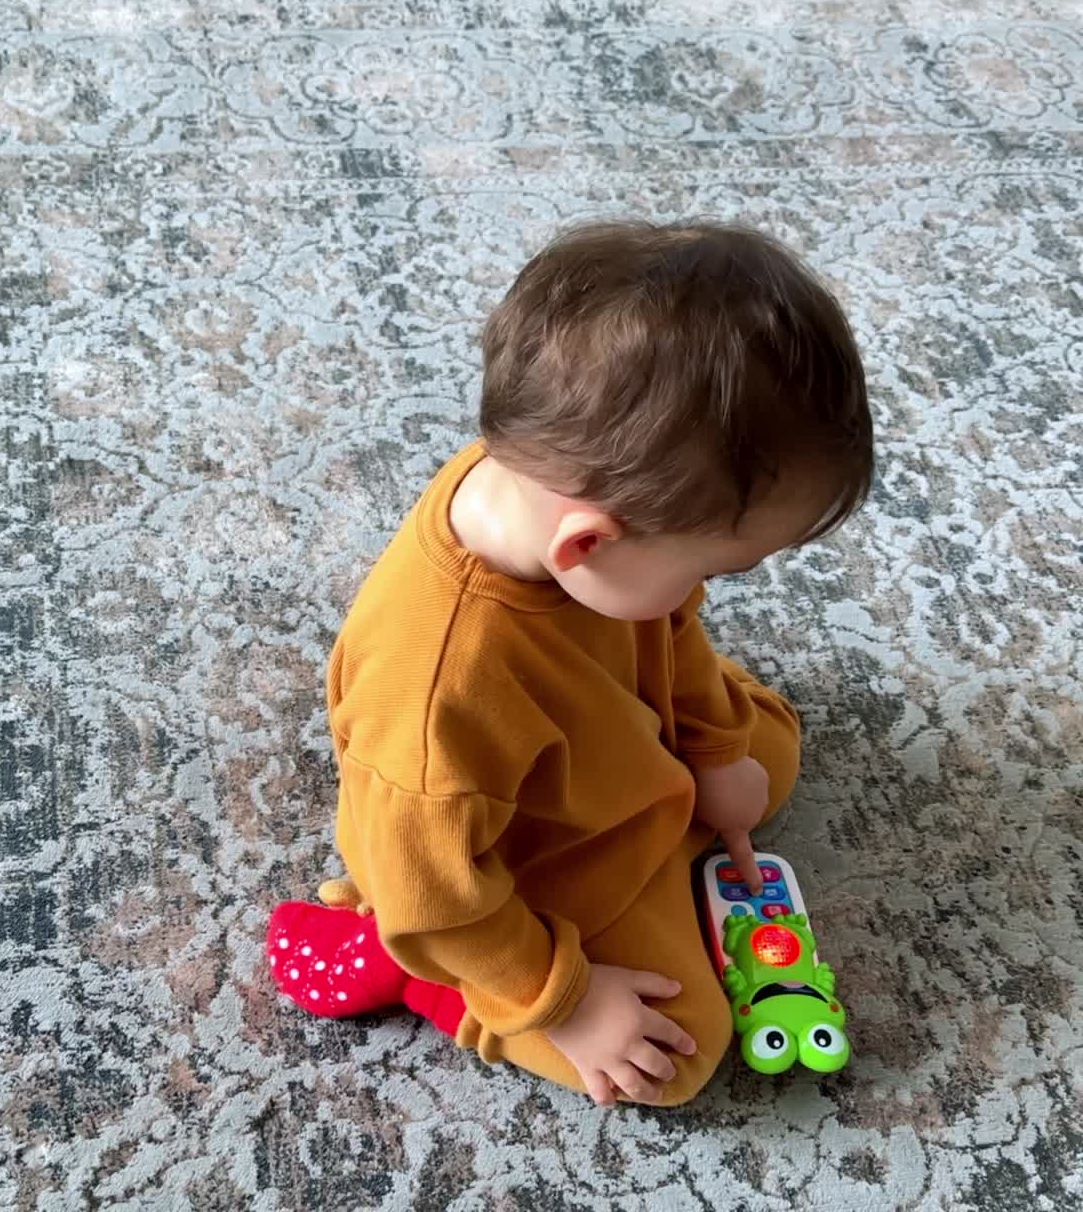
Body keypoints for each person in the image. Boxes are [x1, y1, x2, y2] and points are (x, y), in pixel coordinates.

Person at [266, 219, 874, 1106]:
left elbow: (670, 629)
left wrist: (711, 752)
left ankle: (678, 813)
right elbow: (434, 895)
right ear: (586, 544)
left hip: (603, 740)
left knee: (768, 747)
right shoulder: (436, 704)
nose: (706, 586)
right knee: (676, 1057)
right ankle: (414, 976)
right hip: (503, 863)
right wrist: (568, 1001)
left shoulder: (555, 484)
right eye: (707, 567)